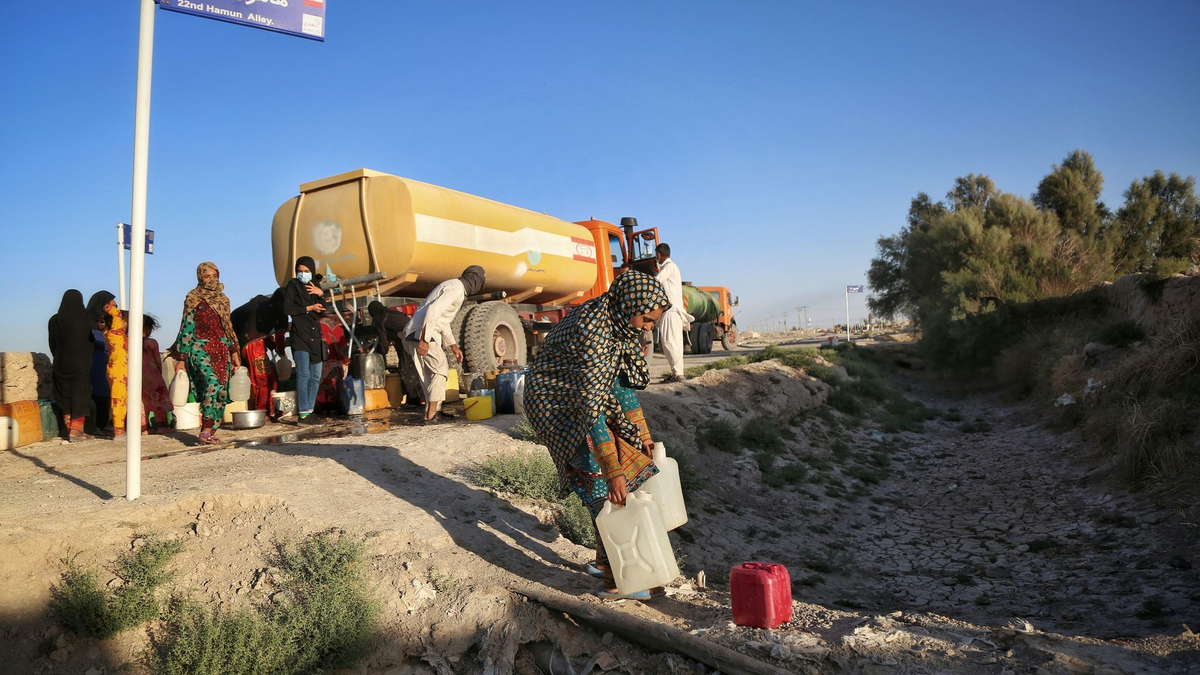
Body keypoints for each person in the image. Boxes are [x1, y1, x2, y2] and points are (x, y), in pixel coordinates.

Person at [524, 270, 670, 599]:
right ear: (630, 306)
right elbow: (590, 410)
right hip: (555, 403)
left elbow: (620, 386)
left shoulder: (621, 325)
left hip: (587, 398)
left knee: (619, 479)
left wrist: (642, 434)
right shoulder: (593, 330)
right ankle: (617, 580)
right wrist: (612, 469)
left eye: (654, 321)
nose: (650, 327)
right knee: (600, 484)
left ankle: (608, 562)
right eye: (647, 319)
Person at [402, 265, 485, 422]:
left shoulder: (452, 285)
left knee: (427, 376)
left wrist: (453, 346)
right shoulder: (456, 289)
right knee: (440, 371)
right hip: (424, 333)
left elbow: (442, 320)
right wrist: (424, 339)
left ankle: (430, 413)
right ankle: (432, 414)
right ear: (474, 280)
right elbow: (433, 311)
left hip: (414, 331)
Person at [172, 262, 241, 445]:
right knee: (212, 385)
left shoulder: (223, 299)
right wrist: (181, 358)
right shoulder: (193, 298)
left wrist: (234, 352)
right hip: (199, 348)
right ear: (200, 277)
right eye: (207, 276)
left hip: (222, 349)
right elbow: (187, 328)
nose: (211, 280)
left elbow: (227, 328)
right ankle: (205, 431)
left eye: (214, 276)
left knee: (221, 392)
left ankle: (211, 431)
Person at [47, 289, 94, 441]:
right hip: (81, 364)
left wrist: (58, 356)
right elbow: (90, 342)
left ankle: (69, 430)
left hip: (61, 363)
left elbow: (52, 342)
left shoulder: (54, 320)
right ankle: (75, 430)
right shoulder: (85, 320)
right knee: (80, 395)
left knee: (64, 395)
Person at [283, 256, 325, 424]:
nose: (303, 274)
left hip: (315, 335)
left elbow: (324, 310)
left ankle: (310, 410)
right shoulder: (293, 285)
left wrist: (321, 294)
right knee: (304, 374)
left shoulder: (314, 286)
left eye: (306, 271)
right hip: (300, 335)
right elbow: (288, 308)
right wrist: (309, 308)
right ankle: (303, 413)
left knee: (316, 375)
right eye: (300, 271)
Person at [232, 290, 288, 416]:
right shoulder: (280, 308)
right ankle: (263, 410)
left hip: (246, 344)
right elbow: (280, 335)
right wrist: (281, 351)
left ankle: (266, 409)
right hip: (255, 347)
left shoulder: (263, 306)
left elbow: (259, 330)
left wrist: (270, 344)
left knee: (258, 377)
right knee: (265, 378)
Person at [86, 291, 129, 439]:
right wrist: (110, 309)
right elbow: (117, 316)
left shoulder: (111, 331)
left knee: (118, 398)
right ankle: (118, 430)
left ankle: (112, 425)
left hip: (112, 365)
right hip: (110, 367)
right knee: (117, 399)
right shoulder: (113, 331)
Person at [654, 243, 693, 383]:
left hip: (671, 311)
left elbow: (656, 282)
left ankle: (678, 374)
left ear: (658, 254)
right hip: (672, 311)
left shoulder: (669, 267)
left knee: (669, 342)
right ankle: (677, 373)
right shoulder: (671, 267)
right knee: (673, 343)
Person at [141, 315, 173, 434]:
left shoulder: (129, 341)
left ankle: (144, 428)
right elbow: (157, 361)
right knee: (159, 401)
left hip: (137, 377)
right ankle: (161, 427)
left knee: (141, 403)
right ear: (147, 329)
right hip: (152, 376)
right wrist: (159, 372)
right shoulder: (152, 343)